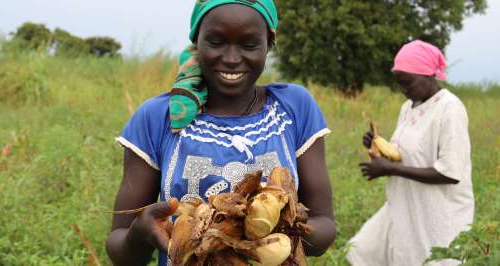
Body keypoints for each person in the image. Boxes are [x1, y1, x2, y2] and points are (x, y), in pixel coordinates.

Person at [105, 1, 336, 265]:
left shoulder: (293, 107)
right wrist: (139, 234)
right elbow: (119, 247)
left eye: (249, 45)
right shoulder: (158, 117)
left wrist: (273, 232)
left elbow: (325, 224)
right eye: (216, 42)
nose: (231, 58)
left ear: (268, 44)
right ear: (197, 41)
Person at [346, 40, 474, 266]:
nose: (403, 90)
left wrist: (390, 169)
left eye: (407, 83)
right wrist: (378, 147)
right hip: (405, 206)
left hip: (436, 215)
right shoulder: (409, 107)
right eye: (399, 84)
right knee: (362, 251)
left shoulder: (449, 108)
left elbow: (451, 173)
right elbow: (404, 155)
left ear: (428, 75)